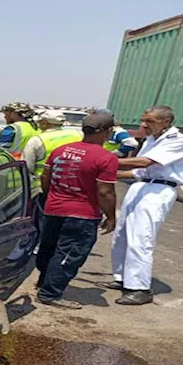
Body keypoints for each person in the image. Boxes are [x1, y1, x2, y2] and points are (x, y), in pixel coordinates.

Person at [36, 113, 118, 309]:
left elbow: (45, 177)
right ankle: (49, 294)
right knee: (69, 254)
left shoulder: (61, 150)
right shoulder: (106, 158)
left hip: (53, 208)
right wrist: (111, 217)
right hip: (82, 214)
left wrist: (51, 197)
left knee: (49, 248)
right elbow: (105, 191)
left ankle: (43, 282)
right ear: (108, 132)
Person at [106, 106, 183, 305]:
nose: (144, 125)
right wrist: (109, 174)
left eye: (149, 121)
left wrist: (104, 160)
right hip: (141, 186)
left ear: (166, 122)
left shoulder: (176, 140)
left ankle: (140, 288)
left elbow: (144, 163)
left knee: (141, 237)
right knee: (122, 234)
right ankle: (123, 277)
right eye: (143, 120)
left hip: (159, 190)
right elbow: (139, 172)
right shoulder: (150, 139)